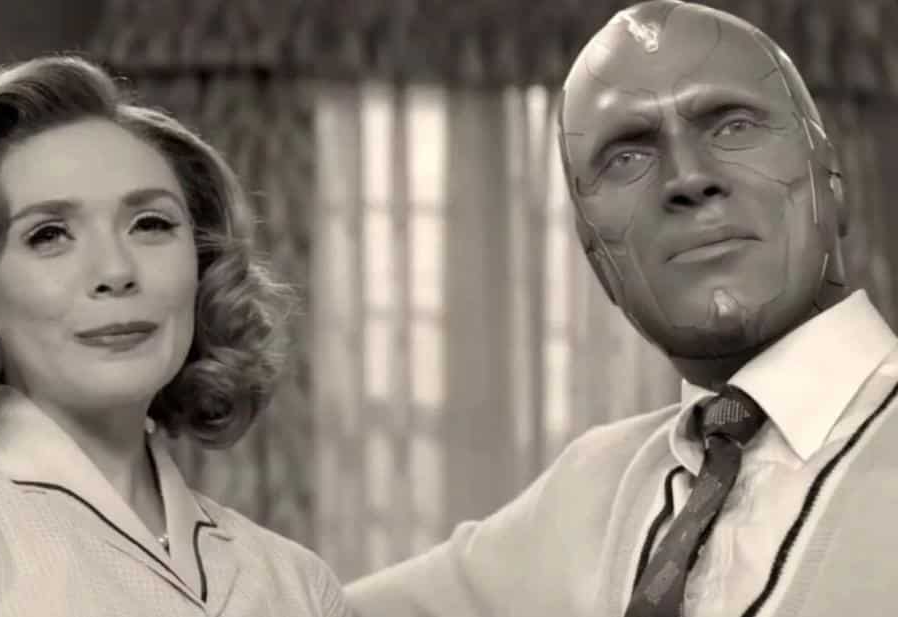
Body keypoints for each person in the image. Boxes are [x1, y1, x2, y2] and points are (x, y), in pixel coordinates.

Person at [345, 1, 898, 615]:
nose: (687, 177)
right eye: (626, 157)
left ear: (834, 180)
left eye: (733, 126)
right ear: (594, 255)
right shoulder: (588, 491)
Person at [0, 54, 349, 616]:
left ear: (200, 267)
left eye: (151, 224)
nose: (117, 271)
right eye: (49, 234)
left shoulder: (299, 583)